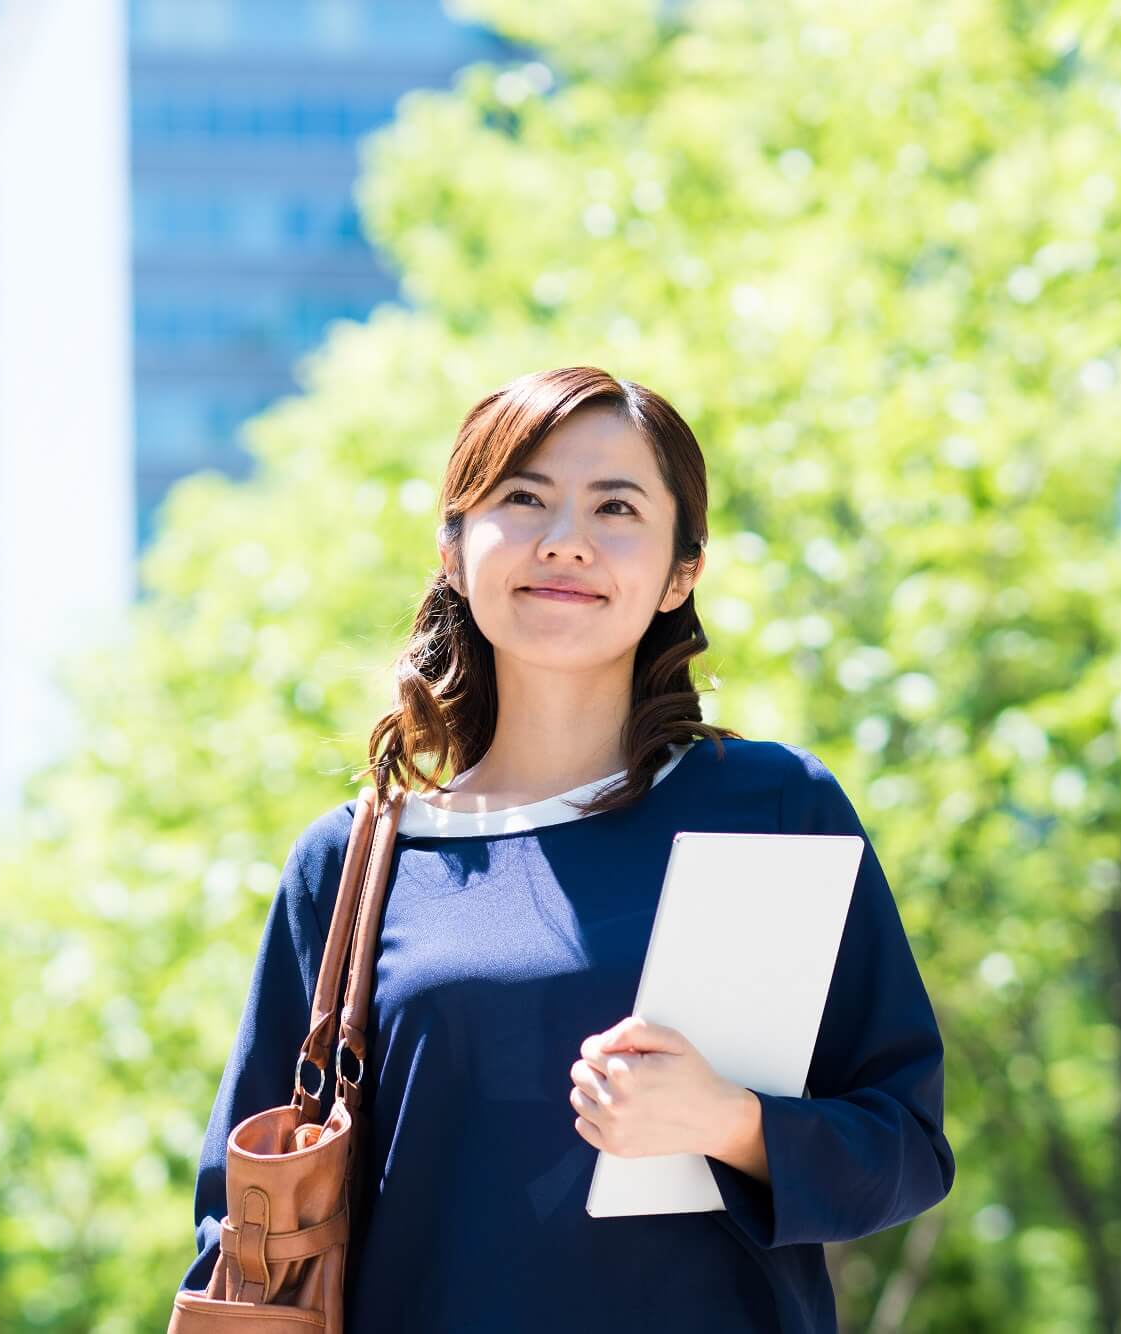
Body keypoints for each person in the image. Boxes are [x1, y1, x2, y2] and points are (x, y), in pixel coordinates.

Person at [179, 366, 955, 1331]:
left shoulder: (770, 806)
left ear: (682, 572)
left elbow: (906, 1149)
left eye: (616, 507)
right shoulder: (351, 865)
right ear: (454, 550)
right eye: (523, 498)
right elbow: (238, 1219)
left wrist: (729, 1122)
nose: (565, 540)